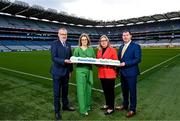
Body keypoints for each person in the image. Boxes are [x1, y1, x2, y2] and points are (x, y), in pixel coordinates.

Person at [50, 28, 75, 120]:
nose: (64, 36)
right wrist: (64, 61)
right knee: (57, 93)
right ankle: (57, 111)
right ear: (58, 34)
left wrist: (71, 70)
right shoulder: (54, 44)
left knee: (65, 92)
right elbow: (54, 58)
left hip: (66, 73)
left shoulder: (68, 44)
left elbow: (70, 58)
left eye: (65, 34)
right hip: (57, 72)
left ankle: (65, 106)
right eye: (62, 34)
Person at [116, 30, 141, 118]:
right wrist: (117, 70)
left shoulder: (136, 46)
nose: (125, 37)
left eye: (127, 35)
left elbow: (138, 59)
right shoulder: (121, 46)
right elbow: (119, 60)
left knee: (132, 92)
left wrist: (125, 63)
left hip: (131, 73)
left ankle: (132, 109)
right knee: (124, 91)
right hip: (122, 73)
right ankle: (125, 105)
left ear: (131, 36)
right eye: (123, 35)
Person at [73, 33, 95, 116]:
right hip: (80, 71)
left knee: (88, 90)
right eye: (82, 39)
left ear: (88, 40)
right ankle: (83, 110)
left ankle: (88, 106)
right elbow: (74, 61)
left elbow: (94, 59)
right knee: (81, 91)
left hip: (89, 71)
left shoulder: (91, 49)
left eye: (85, 39)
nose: (84, 41)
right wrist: (78, 60)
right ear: (80, 41)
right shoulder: (77, 49)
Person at [96, 35, 118, 115]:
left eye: (105, 40)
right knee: (105, 90)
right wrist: (98, 63)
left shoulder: (112, 50)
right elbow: (97, 62)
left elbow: (116, 62)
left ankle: (111, 108)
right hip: (102, 74)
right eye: (102, 41)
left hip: (110, 74)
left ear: (107, 41)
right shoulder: (99, 51)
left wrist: (107, 62)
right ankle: (107, 104)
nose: (103, 42)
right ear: (100, 42)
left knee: (110, 91)